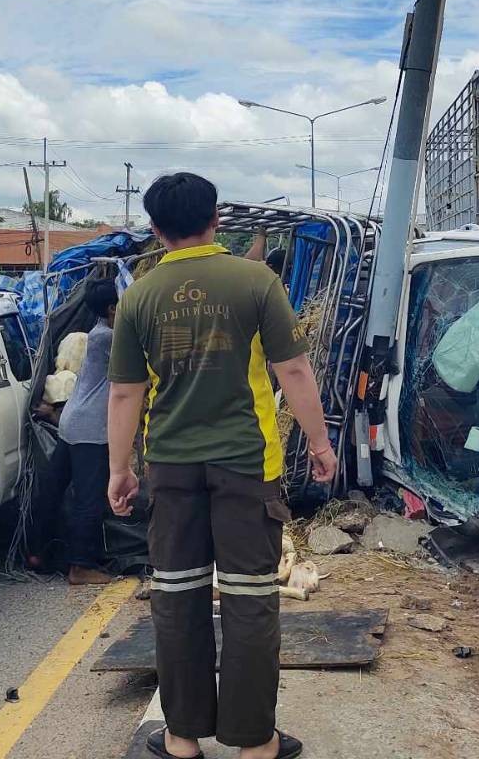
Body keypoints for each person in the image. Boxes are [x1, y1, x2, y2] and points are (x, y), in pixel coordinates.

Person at [107, 172, 335, 759]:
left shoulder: (138, 295)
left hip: (171, 468)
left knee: (177, 598)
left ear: (156, 231)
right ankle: (255, 742)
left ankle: (182, 738)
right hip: (246, 466)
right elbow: (294, 372)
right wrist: (319, 443)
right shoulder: (255, 281)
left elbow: (125, 394)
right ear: (216, 221)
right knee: (250, 599)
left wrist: (119, 470)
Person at [46, 280, 120, 586]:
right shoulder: (109, 338)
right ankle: (80, 567)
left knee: (54, 490)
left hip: (72, 422)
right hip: (90, 427)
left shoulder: (94, 334)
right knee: (89, 498)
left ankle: (41, 554)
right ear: (113, 308)